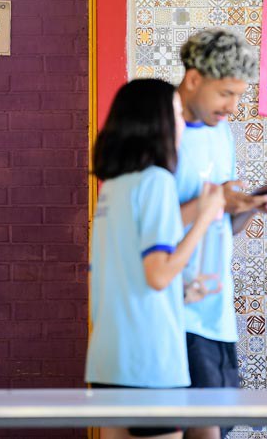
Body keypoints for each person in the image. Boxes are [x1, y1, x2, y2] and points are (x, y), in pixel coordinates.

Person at [85, 79, 225, 439]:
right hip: (149, 361)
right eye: (179, 113)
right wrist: (205, 216)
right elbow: (158, 275)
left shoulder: (115, 186)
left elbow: (130, 276)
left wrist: (180, 295)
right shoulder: (157, 181)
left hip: (107, 358)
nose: (183, 124)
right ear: (159, 121)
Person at [175, 29, 267, 439]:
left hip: (217, 313)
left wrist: (250, 205)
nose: (233, 106)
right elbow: (143, 223)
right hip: (174, 310)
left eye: (240, 95)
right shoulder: (160, 133)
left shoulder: (221, 132)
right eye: (226, 93)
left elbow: (221, 224)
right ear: (193, 79)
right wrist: (221, 204)